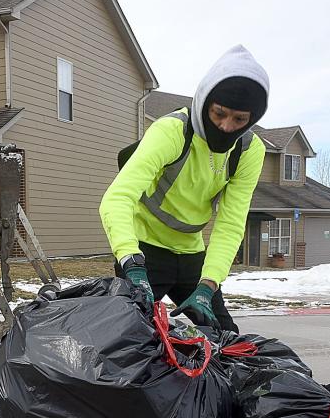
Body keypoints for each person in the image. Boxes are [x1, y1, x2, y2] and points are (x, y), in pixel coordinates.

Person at [99, 45, 269, 332]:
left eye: (239, 119)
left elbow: (231, 223)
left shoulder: (249, 150)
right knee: (131, 341)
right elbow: (117, 198)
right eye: (219, 114)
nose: (227, 127)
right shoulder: (173, 131)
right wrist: (130, 260)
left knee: (225, 337)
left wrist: (208, 285)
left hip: (192, 255)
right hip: (145, 252)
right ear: (204, 103)